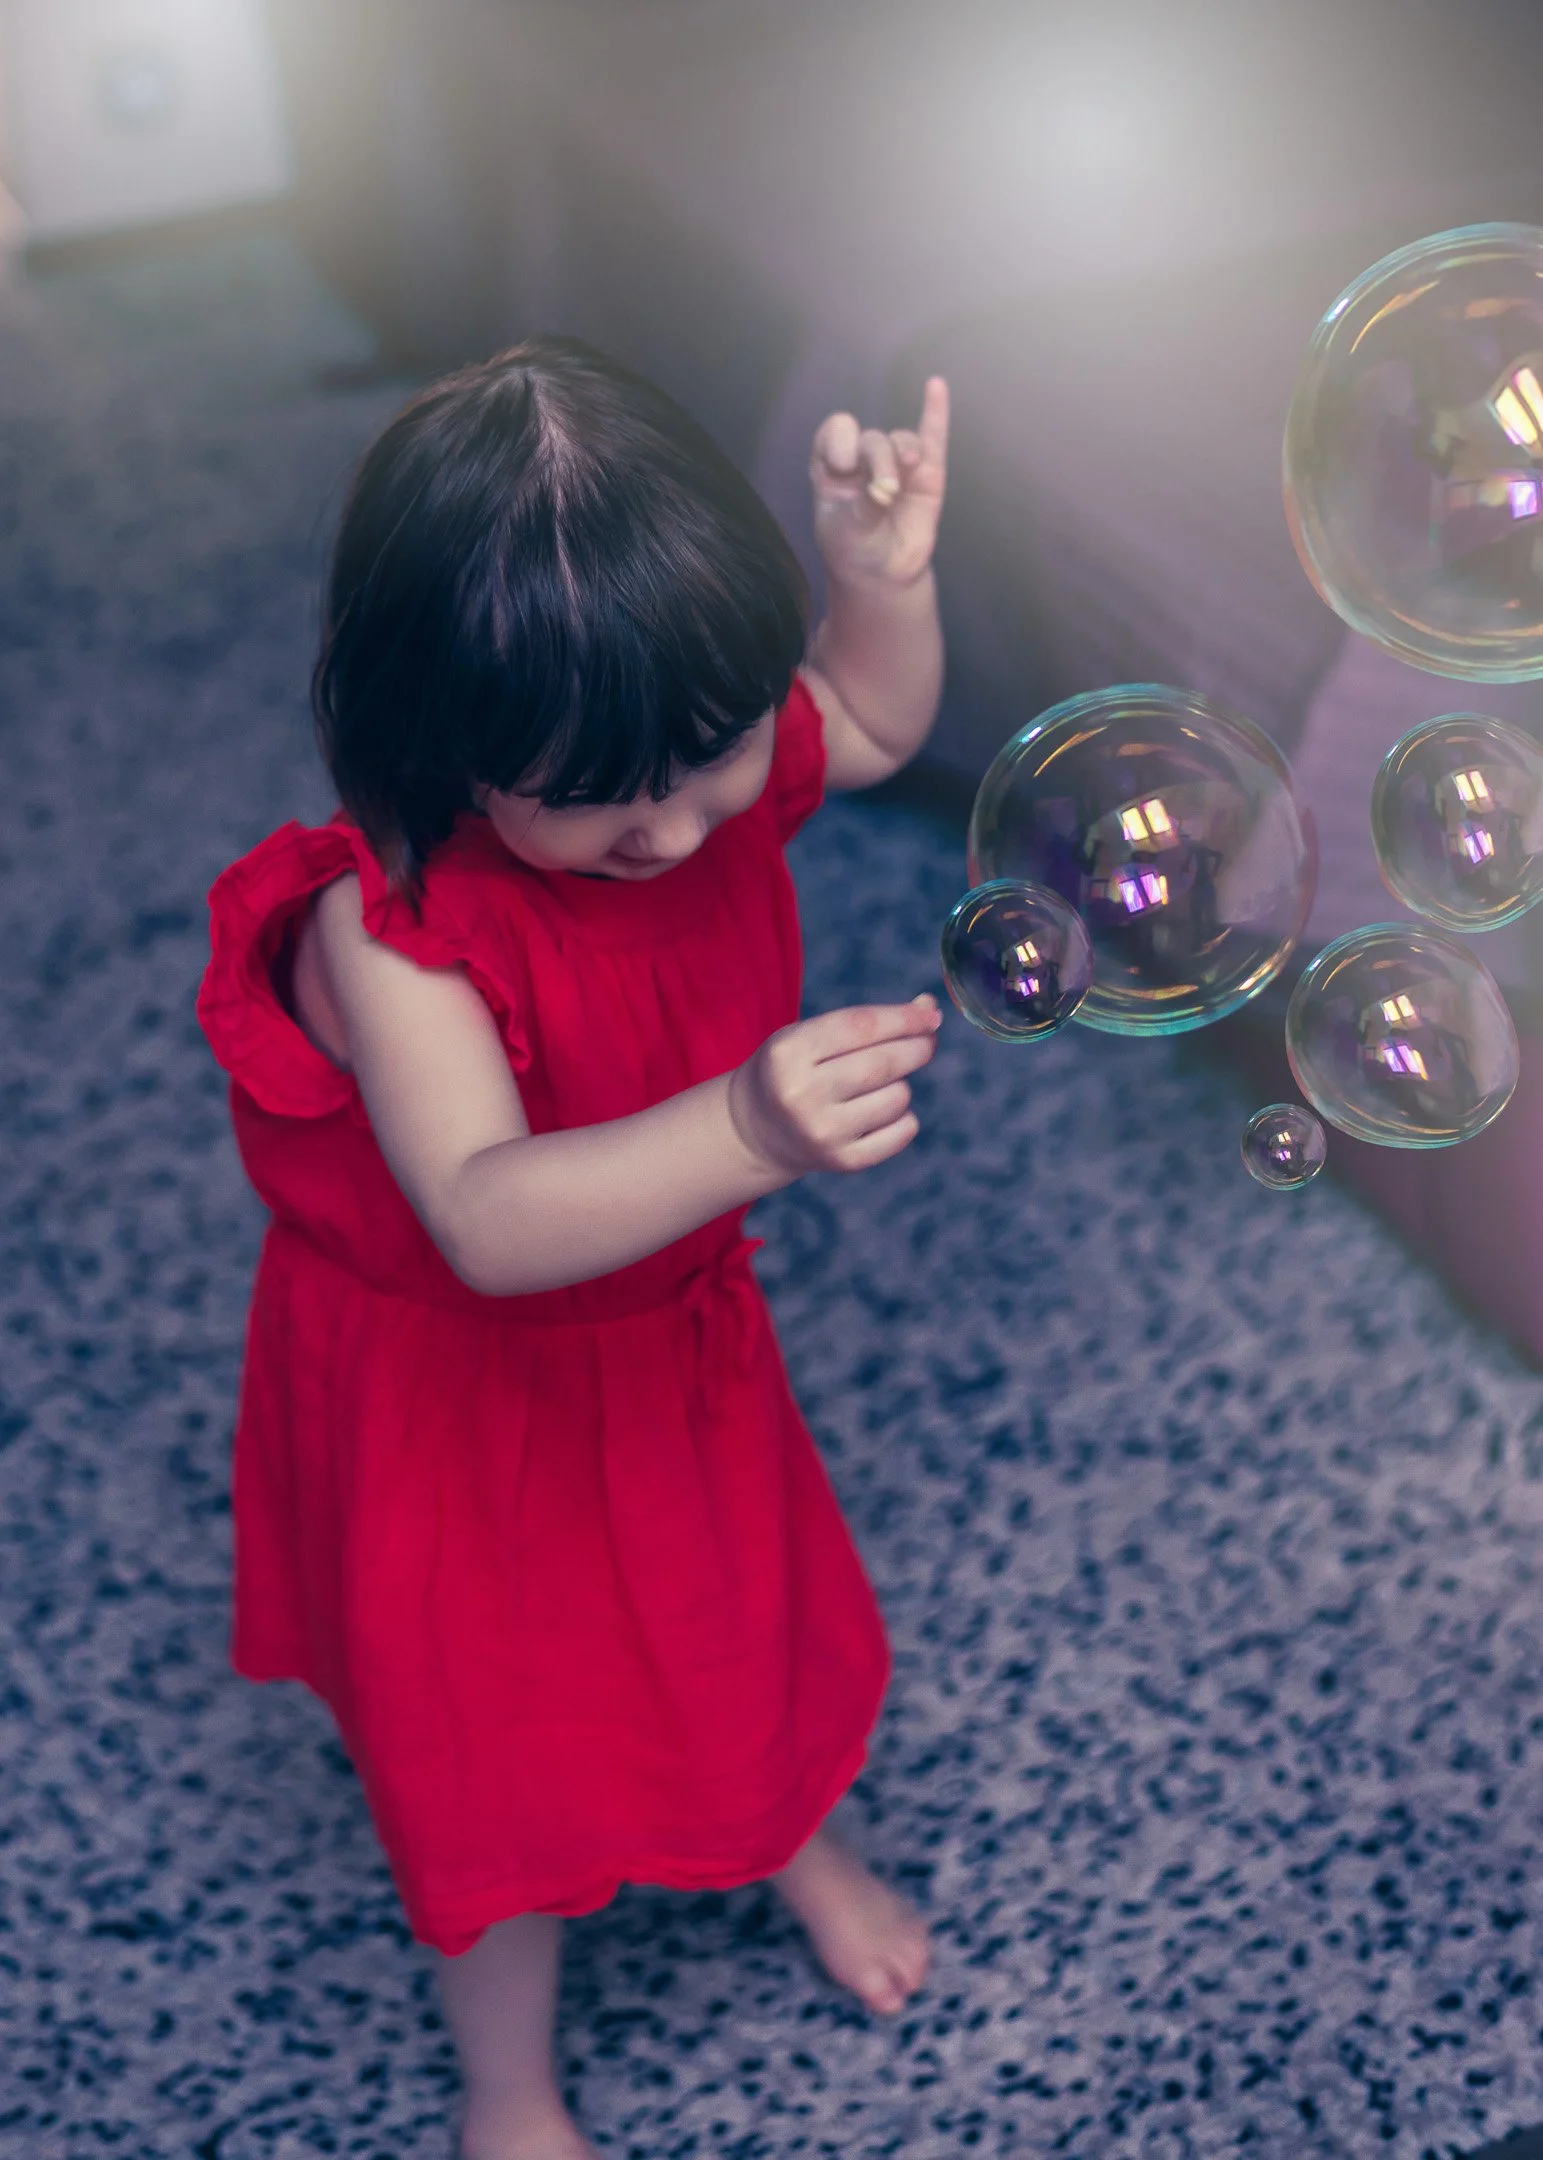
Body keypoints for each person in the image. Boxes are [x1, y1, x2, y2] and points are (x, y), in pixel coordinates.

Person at [196, 337, 951, 2160]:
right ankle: (508, 2082)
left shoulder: (676, 742)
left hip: (667, 1336)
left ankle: (783, 1827)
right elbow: (484, 1215)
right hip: (464, 1398)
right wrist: (744, 1129)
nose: (683, 825)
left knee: (726, 1612)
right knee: (496, 1754)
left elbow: (865, 725)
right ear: (434, 738)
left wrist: (880, 586)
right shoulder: (394, 929)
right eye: (606, 805)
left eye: (705, 764)